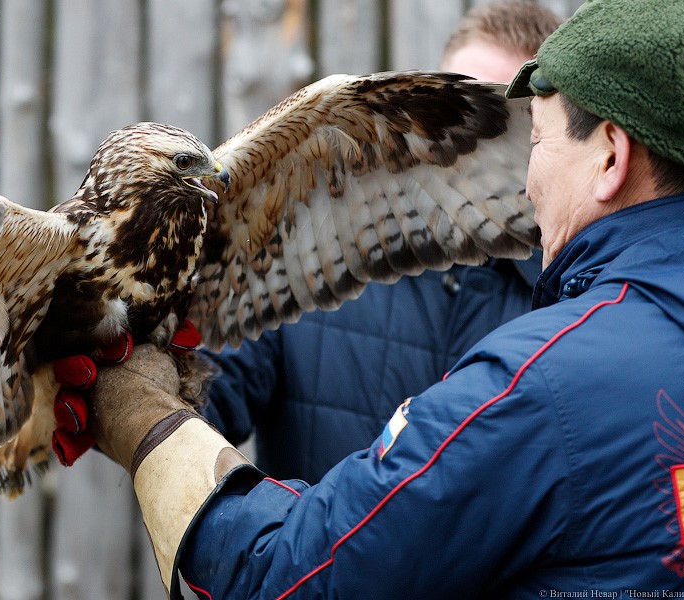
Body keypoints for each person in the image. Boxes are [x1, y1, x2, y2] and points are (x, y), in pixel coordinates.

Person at [85, 0, 684, 596]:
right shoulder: (328, 270)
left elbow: (292, 575)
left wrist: (147, 424)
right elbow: (211, 382)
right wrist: (146, 380)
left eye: (529, 137)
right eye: (452, 117)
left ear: (610, 156)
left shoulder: (549, 376)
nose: (515, 173)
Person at [200, 0, 561, 484]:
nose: (465, 149)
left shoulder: (565, 303)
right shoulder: (319, 239)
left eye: (503, 125)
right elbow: (206, 396)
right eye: (457, 117)